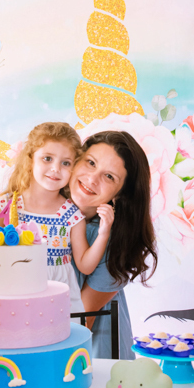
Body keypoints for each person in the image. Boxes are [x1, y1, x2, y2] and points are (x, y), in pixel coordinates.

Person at [0, 122, 112, 315]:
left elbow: (85, 266)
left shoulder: (71, 215)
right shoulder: (6, 206)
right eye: (47, 158)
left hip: (56, 303)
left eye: (66, 163)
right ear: (30, 160)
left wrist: (103, 234)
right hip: (13, 295)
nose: (56, 168)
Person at [69, 130, 157, 359]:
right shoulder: (41, 214)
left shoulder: (113, 241)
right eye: (90, 163)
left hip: (86, 351)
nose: (92, 179)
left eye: (109, 177)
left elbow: (81, 320)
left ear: (120, 195)